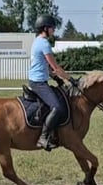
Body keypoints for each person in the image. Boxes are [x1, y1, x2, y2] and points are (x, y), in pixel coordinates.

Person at [28, 14, 76, 150]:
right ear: (45, 28)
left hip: (38, 80)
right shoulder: (44, 43)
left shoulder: (37, 41)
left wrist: (56, 79)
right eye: (52, 28)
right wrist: (71, 79)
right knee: (57, 107)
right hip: (39, 83)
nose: (54, 30)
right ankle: (43, 137)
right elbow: (55, 67)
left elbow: (46, 67)